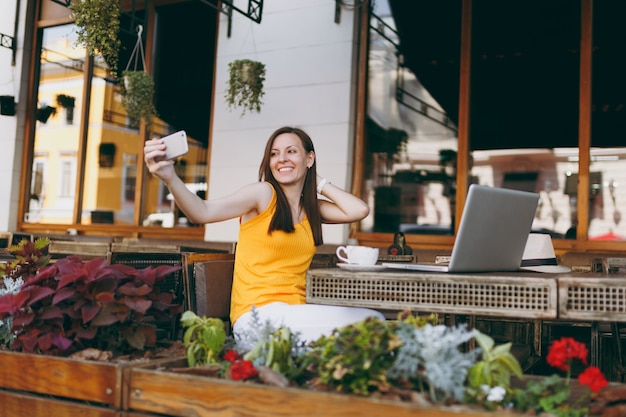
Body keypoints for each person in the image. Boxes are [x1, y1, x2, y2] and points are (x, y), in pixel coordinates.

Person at [144, 126, 385, 344]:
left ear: (309, 158)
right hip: (257, 317)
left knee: (371, 324)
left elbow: (359, 210)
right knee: (371, 324)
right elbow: (202, 211)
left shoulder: (312, 209)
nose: (281, 159)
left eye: (291, 152)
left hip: (297, 315)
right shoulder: (263, 194)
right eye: (274, 153)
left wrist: (318, 182)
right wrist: (170, 178)